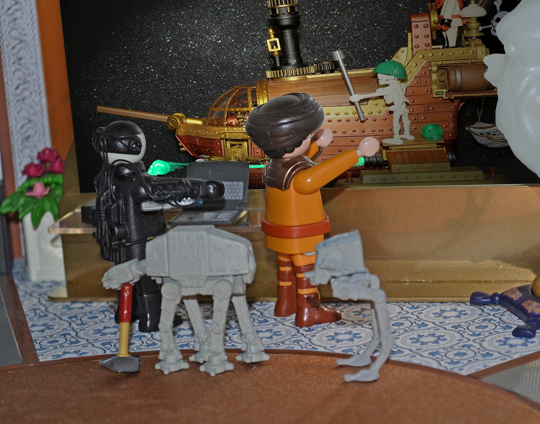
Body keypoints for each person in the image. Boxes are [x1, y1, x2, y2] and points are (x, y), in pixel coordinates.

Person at [245, 93, 379, 327]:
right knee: (307, 267)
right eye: (308, 136)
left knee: (285, 264)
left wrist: (318, 144)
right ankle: (309, 310)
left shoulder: (274, 165)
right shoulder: (301, 178)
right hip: (301, 234)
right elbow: (319, 174)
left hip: (279, 232)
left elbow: (298, 157)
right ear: (294, 139)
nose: (310, 137)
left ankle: (285, 303)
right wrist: (357, 153)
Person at [84, 121, 222, 332]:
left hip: (117, 240)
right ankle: (152, 319)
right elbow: (163, 188)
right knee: (147, 281)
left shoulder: (104, 176)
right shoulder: (136, 181)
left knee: (123, 277)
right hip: (140, 240)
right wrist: (202, 187)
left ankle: (128, 312)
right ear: (135, 145)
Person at [350, 60, 412, 145]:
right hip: (404, 108)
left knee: (396, 124)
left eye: (380, 78)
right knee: (406, 121)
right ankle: (407, 134)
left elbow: (372, 94)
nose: (378, 79)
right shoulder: (403, 86)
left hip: (397, 109)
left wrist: (359, 97)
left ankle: (397, 138)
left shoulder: (388, 90)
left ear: (388, 78)